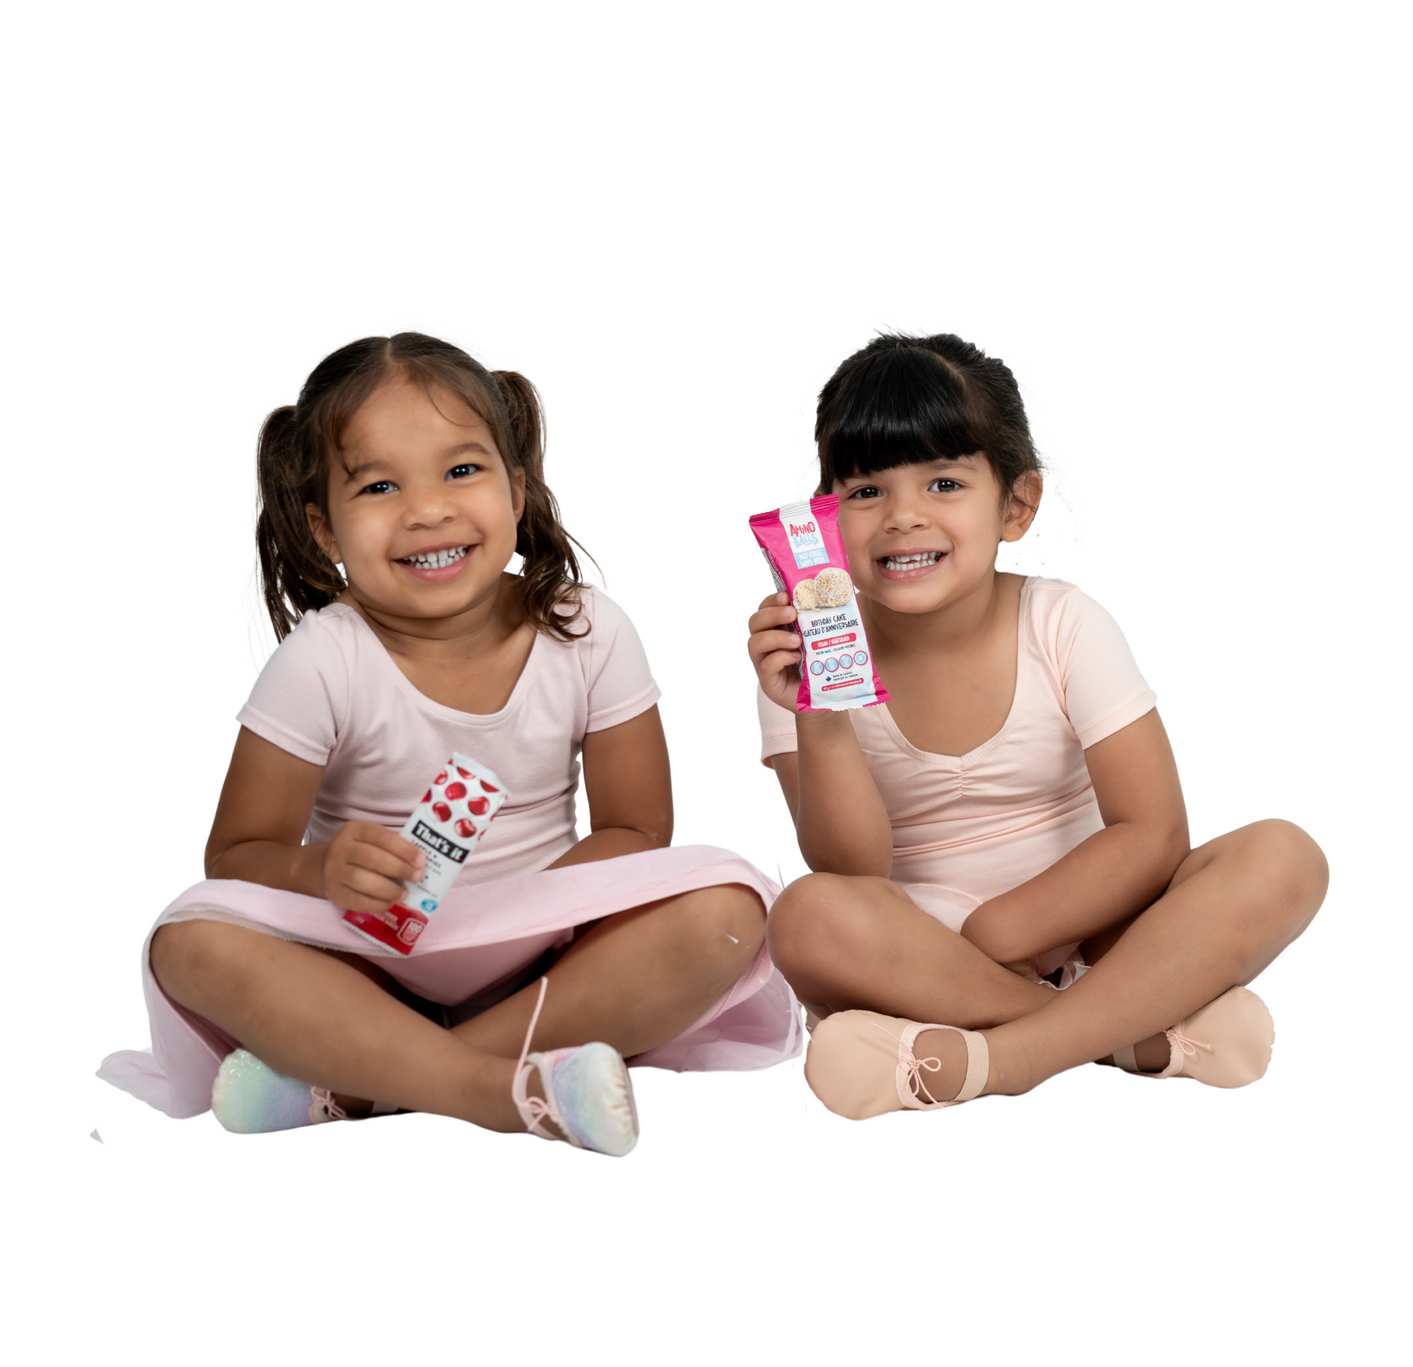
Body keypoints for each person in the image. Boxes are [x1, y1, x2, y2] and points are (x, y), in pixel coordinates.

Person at [100, 332, 800, 1155]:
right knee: (188, 941)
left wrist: (531, 915)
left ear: (517, 488)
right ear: (323, 528)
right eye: (380, 485)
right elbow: (238, 852)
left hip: (550, 959)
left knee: (729, 911)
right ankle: (492, 1089)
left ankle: (367, 1084)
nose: (426, 508)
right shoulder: (324, 656)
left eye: (461, 470)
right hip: (364, 961)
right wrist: (320, 870)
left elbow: (639, 830)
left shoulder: (587, 630)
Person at [746, 334, 1327, 1119]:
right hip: (928, 951)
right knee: (806, 914)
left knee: (1282, 855)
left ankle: (1001, 1053)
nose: (903, 517)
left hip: (1096, 924)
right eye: (864, 491)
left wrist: (1005, 929)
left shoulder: (1060, 621)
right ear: (823, 517)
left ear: (1014, 506)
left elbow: (1151, 832)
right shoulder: (801, 657)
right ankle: (1133, 1034)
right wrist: (815, 716)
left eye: (943, 481)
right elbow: (850, 866)